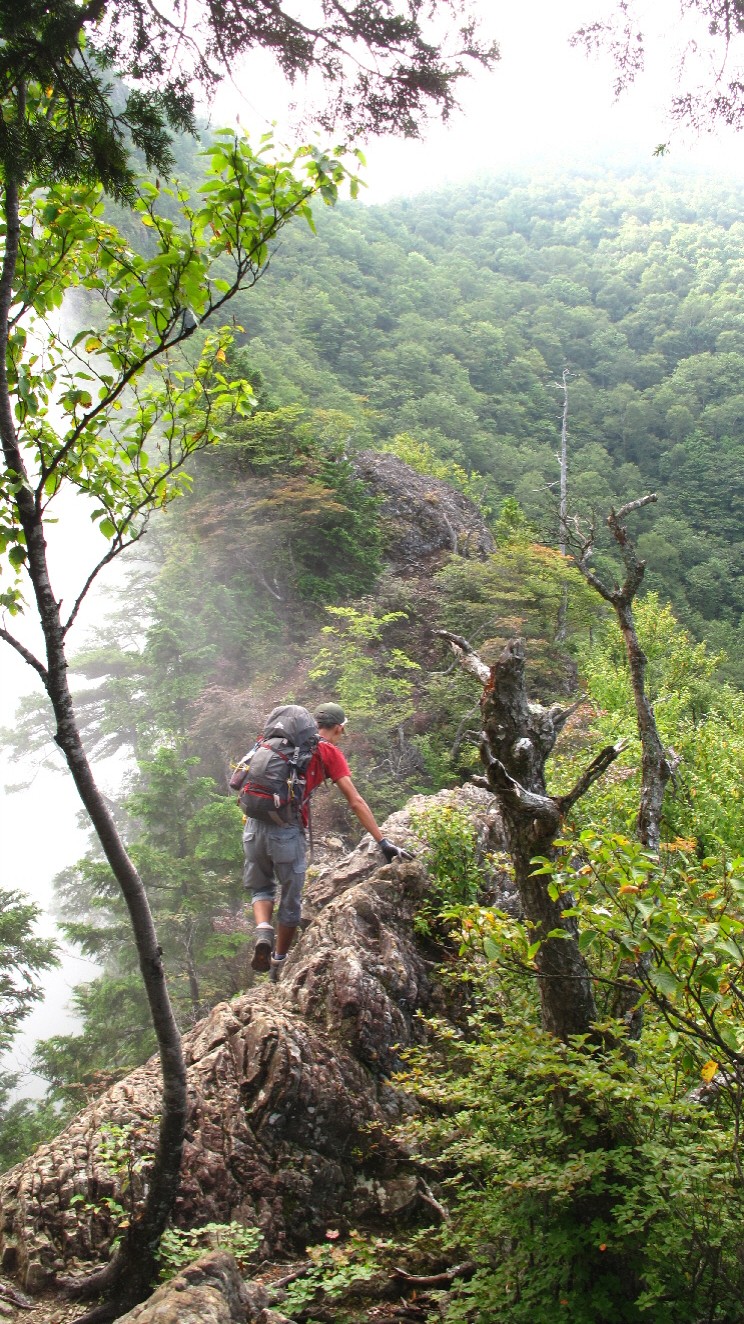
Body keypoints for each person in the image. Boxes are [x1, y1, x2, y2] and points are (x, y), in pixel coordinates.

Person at [244, 701, 410, 979]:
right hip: (287, 830)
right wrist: (383, 842)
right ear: (339, 728)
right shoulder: (327, 751)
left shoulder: (272, 743)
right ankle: (279, 962)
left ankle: (263, 931)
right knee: (291, 900)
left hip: (253, 825)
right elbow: (355, 801)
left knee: (261, 888)